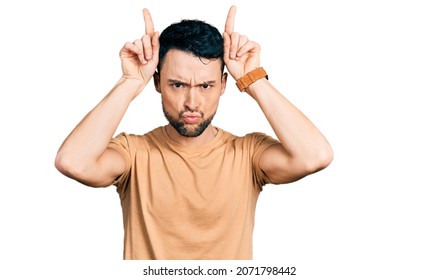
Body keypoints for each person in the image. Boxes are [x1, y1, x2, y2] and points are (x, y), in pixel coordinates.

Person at [55, 5, 333, 260]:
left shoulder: (247, 154)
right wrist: (130, 81)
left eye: (206, 86)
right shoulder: (134, 153)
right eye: (177, 85)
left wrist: (254, 78)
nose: (192, 102)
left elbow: (316, 156)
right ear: (157, 83)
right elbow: (73, 162)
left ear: (224, 85)